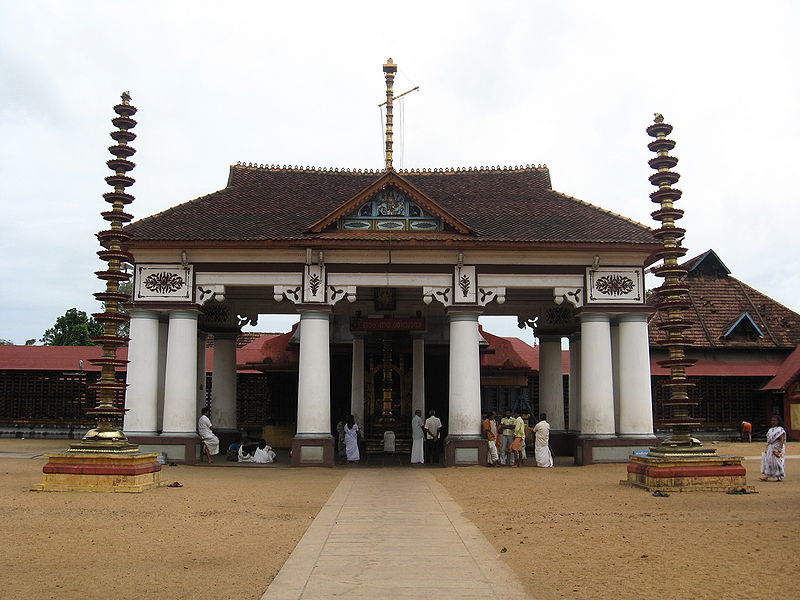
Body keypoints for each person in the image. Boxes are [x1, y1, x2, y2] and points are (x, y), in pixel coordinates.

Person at [760, 415, 787, 482]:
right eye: (772, 420)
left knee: (777, 462)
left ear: (778, 421)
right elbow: (769, 441)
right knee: (768, 461)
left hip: (776, 448)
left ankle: (779, 476)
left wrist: (779, 450)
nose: (773, 422)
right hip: (770, 448)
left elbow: (782, 440)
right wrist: (766, 449)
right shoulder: (770, 430)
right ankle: (766, 475)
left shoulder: (780, 430)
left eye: (775, 421)